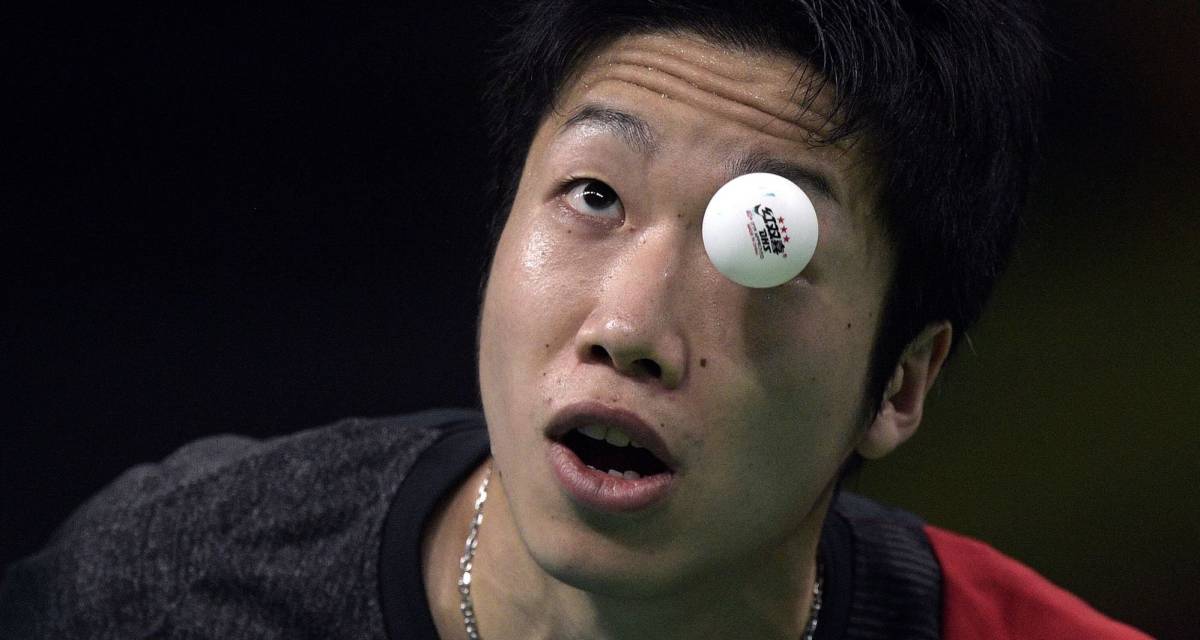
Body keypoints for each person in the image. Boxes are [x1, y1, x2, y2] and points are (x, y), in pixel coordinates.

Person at [0, 1, 1152, 638]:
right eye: (594, 195)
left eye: (762, 248)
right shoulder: (162, 589)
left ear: (902, 383)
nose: (631, 326)